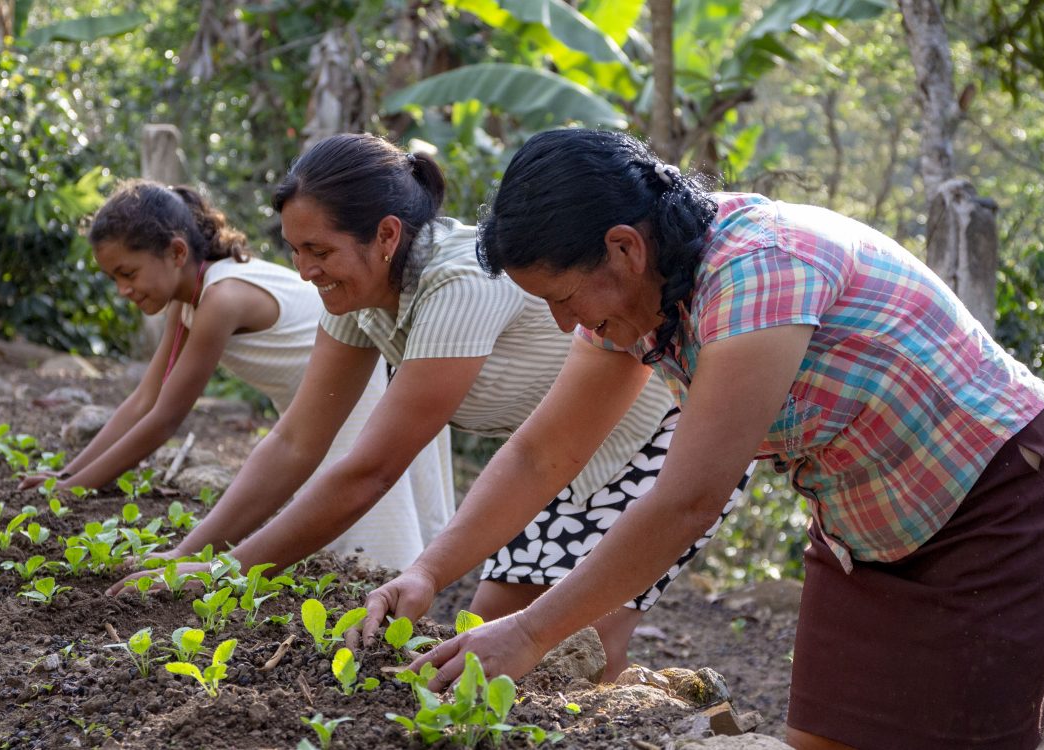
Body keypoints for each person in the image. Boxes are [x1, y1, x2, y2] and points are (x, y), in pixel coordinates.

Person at [362, 128, 1044, 750]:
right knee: (822, 739)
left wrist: (528, 633)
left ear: (623, 248)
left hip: (994, 498)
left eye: (562, 298)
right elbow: (540, 452)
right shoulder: (640, 292)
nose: (561, 324)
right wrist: (428, 570)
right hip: (864, 527)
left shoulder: (759, 269)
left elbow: (688, 500)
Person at [106, 134, 749, 680]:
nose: (303, 270)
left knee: (572, 654)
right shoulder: (359, 296)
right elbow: (297, 440)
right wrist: (190, 557)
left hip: (657, 439)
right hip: (551, 459)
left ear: (386, 235)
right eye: (295, 250)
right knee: (484, 640)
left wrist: (225, 575)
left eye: (319, 251)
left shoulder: (456, 280)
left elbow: (372, 470)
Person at [21, 180, 453, 570]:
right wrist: (68, 478)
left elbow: (165, 418)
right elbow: (144, 399)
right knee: (332, 539)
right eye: (113, 278)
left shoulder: (222, 299)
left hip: (361, 394)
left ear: (176, 252)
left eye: (128, 273)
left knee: (372, 549)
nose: (122, 290)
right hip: (321, 405)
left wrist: (74, 491)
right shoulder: (188, 301)